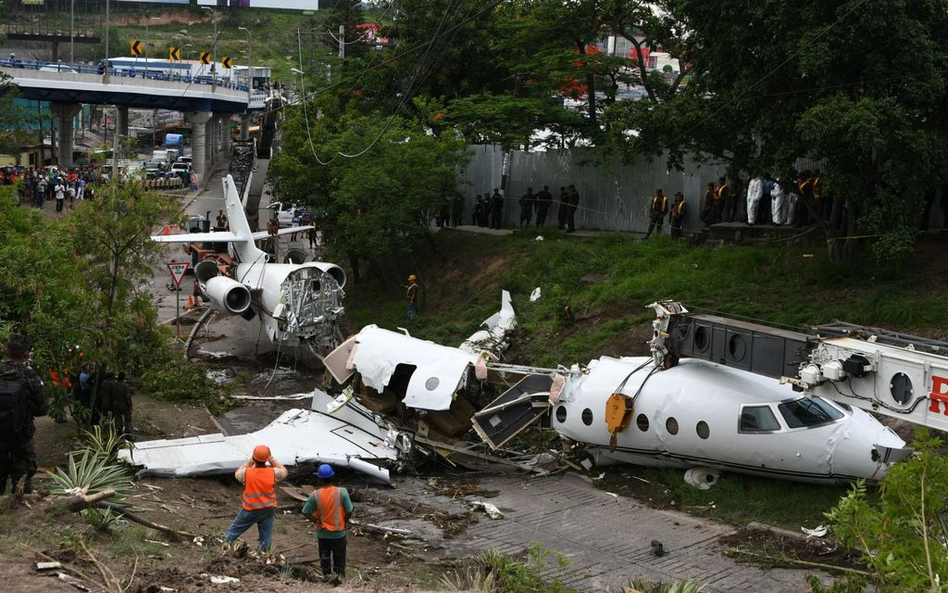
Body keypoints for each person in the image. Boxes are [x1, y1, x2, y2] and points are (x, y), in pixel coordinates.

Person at [0, 334, 47, 494]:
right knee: (22, 480)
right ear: (26, 353)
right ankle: (19, 513)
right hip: (21, 435)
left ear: (6, 351)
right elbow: (43, 409)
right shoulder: (30, 376)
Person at [224, 444, 287, 551]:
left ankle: (223, 547)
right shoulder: (273, 473)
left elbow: (237, 473)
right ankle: (264, 555)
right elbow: (284, 471)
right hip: (268, 508)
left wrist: (250, 462)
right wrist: (271, 459)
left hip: (251, 509)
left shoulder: (246, 473)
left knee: (234, 530)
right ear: (267, 459)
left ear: (254, 458)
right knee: (266, 536)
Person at [302, 464, 354, 582]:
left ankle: (326, 579)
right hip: (338, 534)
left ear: (320, 479)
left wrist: (316, 520)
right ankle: (340, 581)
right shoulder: (342, 492)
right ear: (333, 476)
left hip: (323, 534)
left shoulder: (315, 494)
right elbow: (349, 510)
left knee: (325, 559)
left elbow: (305, 511)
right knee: (339, 561)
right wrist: (344, 522)